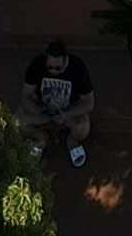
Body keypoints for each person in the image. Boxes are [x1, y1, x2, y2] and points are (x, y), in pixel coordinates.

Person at [17, 39, 94, 169]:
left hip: (67, 112)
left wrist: (67, 114)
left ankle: (72, 141)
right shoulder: (36, 64)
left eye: (58, 68)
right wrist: (39, 111)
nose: (53, 71)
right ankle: (40, 138)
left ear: (66, 60)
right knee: (17, 122)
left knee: (83, 128)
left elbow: (89, 103)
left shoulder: (78, 67)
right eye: (50, 67)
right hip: (43, 110)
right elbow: (25, 96)